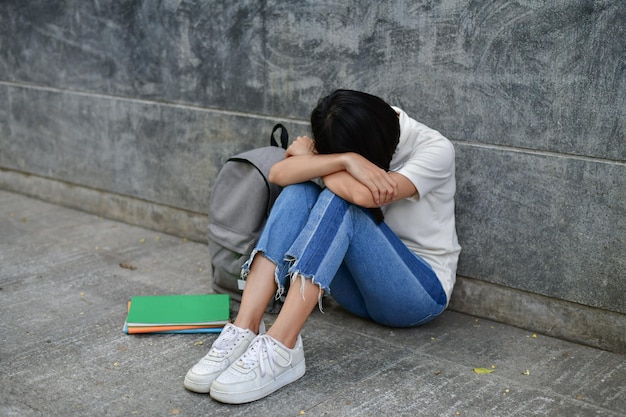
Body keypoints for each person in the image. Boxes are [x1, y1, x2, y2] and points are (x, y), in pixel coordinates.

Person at [184, 89, 461, 404]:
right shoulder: (349, 130)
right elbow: (278, 173)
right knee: (298, 190)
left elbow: (365, 197)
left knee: (335, 198)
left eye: (353, 154)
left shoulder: (434, 149)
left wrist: (313, 161)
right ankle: (244, 328)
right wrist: (345, 160)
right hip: (356, 295)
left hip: (417, 294)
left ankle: (282, 346)